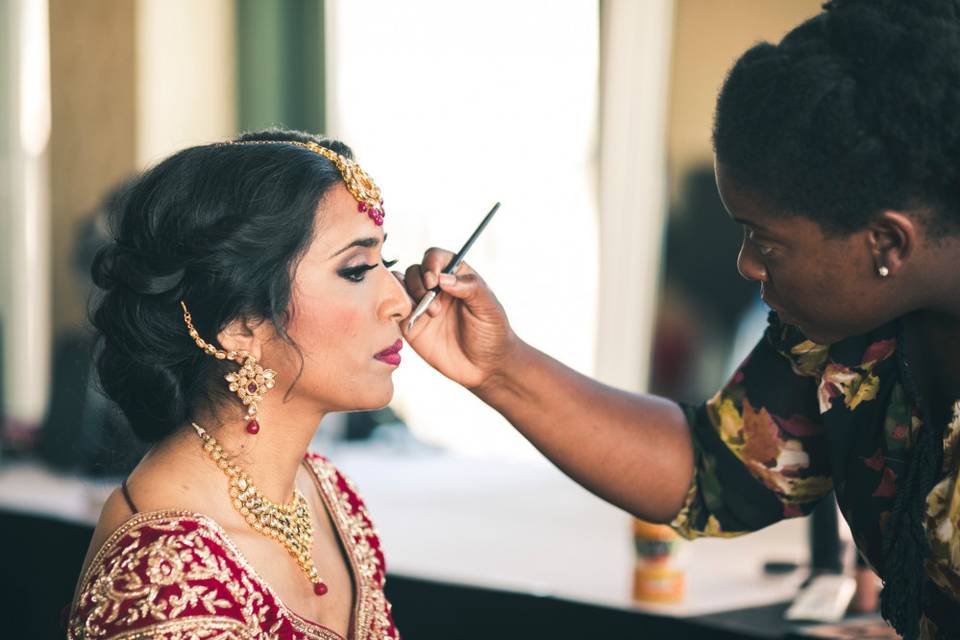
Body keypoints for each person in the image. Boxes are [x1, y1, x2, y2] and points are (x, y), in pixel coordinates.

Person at [400, 1, 960, 638]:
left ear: (887, 243)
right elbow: (715, 467)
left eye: (765, 240)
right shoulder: (849, 330)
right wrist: (500, 368)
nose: (747, 265)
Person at [67, 129, 408, 639]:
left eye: (388, 263)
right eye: (356, 271)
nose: (400, 300)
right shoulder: (168, 576)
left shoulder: (325, 493)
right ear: (240, 325)